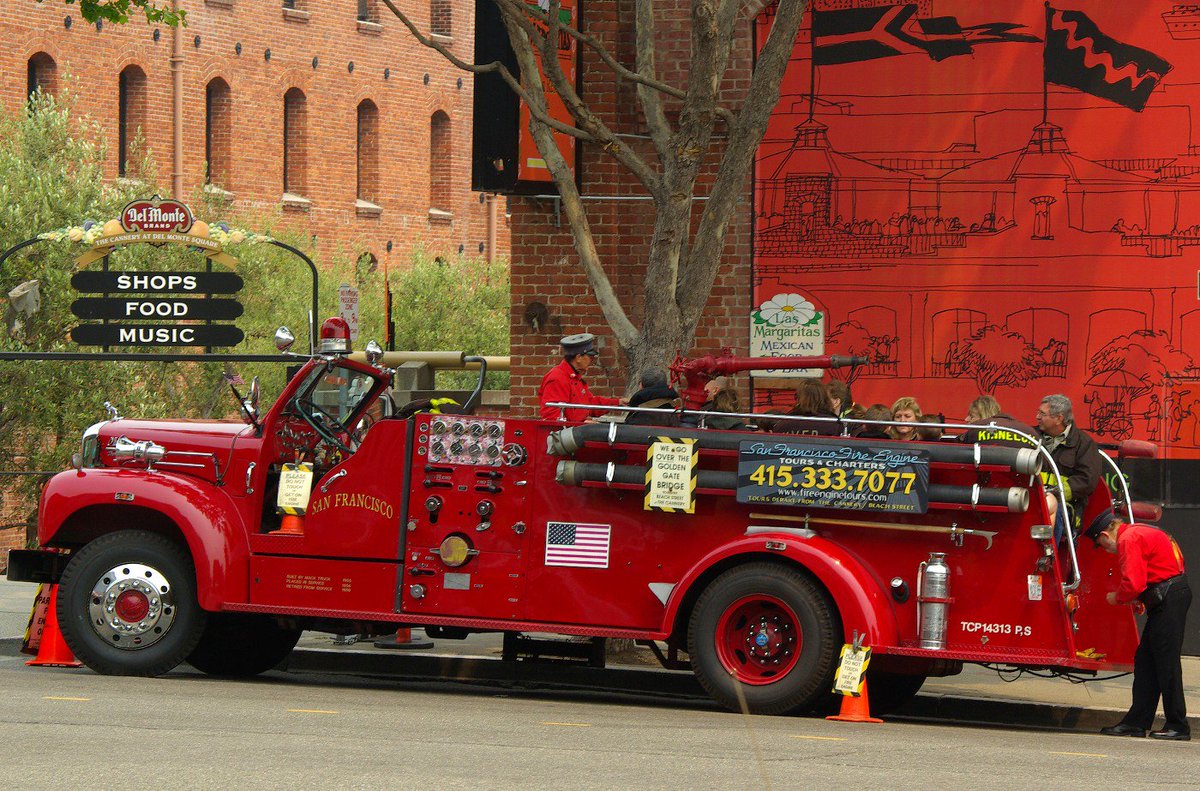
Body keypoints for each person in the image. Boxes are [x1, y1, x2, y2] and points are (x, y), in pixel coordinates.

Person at [1087, 510, 1191, 741]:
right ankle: (1136, 722)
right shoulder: (1141, 530)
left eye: (1101, 545)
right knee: (1147, 662)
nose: (1106, 550)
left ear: (1105, 535)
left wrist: (1118, 597)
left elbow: (1133, 583)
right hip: (1169, 595)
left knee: (1166, 664)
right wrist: (1143, 598)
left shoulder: (1128, 539)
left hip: (1167, 597)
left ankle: (1178, 725)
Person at [1035, 394, 1103, 538]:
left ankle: (1050, 558)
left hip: (1066, 507)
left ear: (1059, 418)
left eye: (1042, 414)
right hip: (1031, 500)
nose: (1037, 417)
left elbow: (1086, 481)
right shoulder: (1031, 437)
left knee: (1055, 512)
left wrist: (1054, 493)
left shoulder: (1084, 444)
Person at [538, 333, 627, 421]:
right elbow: (552, 416)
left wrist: (618, 402)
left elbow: (589, 403)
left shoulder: (574, 377)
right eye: (590, 357)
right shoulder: (558, 378)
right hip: (566, 433)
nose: (592, 361)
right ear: (578, 358)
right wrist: (581, 426)